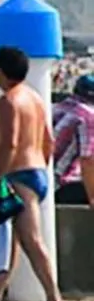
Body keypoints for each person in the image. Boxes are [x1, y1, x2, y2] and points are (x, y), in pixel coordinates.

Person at [0, 47, 64, 301]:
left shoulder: (8, 101)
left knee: (31, 239)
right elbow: (48, 140)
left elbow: (9, 144)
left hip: (18, 174)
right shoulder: (34, 98)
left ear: (1, 72)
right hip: (35, 171)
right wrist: (39, 167)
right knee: (13, 238)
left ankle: (54, 300)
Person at [52, 74, 94, 204]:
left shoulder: (57, 108)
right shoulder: (88, 115)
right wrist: (92, 197)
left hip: (45, 177)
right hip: (61, 183)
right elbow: (87, 160)